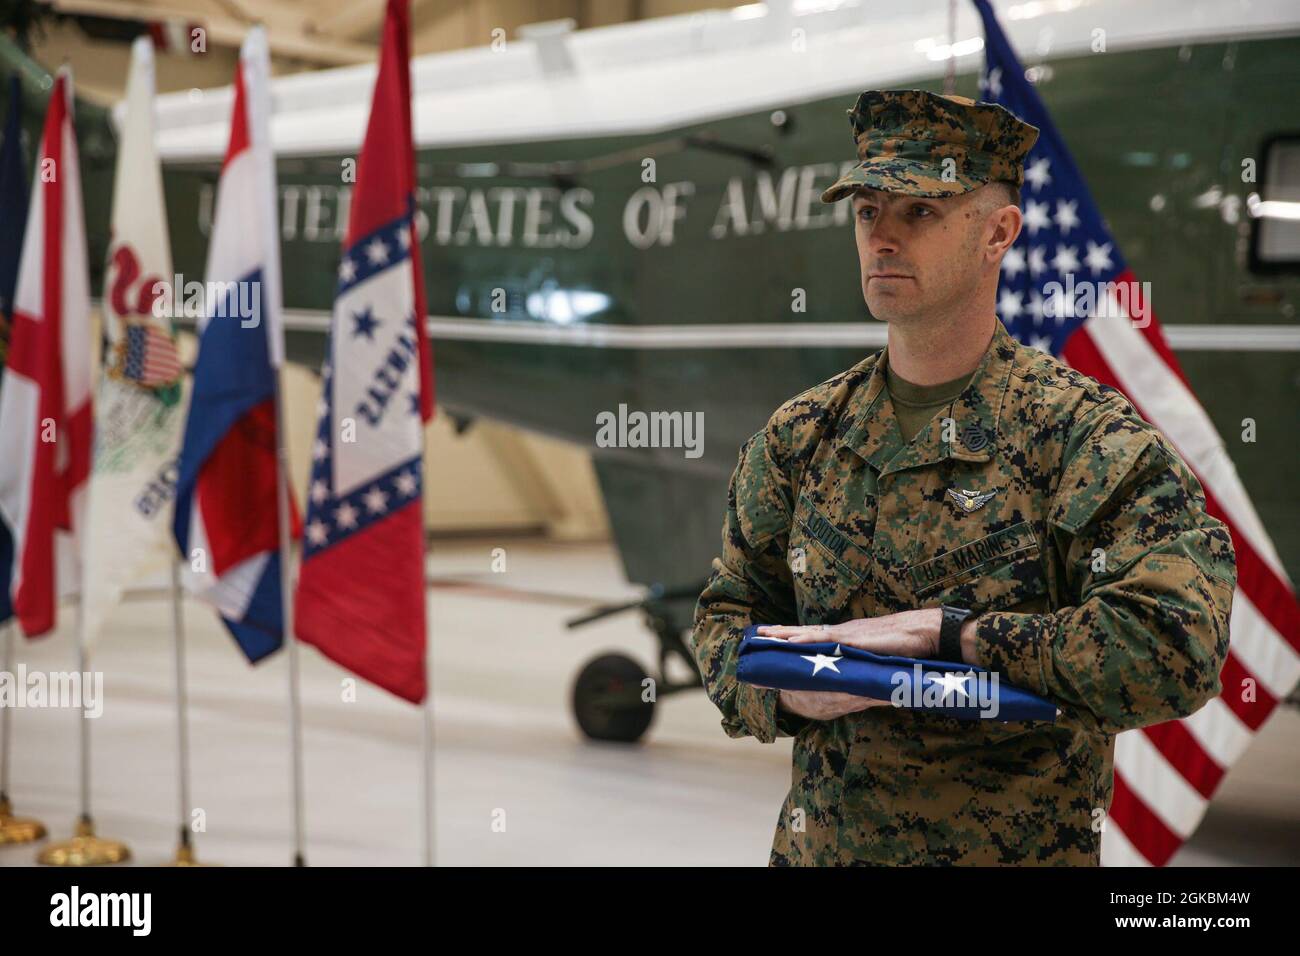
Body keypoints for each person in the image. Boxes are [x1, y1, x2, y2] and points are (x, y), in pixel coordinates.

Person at [691, 89, 1236, 865]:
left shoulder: (1085, 442)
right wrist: (778, 691)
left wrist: (955, 636)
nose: (881, 236)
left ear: (999, 232)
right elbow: (724, 618)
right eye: (866, 210)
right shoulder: (803, 437)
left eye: (919, 212)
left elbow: (1173, 648)